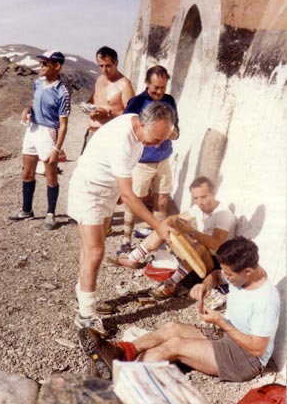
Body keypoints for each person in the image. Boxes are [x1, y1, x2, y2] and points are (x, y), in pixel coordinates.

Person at [80, 237, 280, 383]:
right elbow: (218, 275)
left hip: (244, 359)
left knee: (174, 345)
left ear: (247, 271)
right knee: (172, 328)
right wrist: (205, 285)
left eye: (231, 274)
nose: (229, 277)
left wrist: (220, 323)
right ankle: (118, 352)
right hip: (228, 336)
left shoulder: (265, 300)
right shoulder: (243, 272)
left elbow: (257, 349)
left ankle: (120, 379)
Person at [68, 102, 177, 332]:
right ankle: (86, 316)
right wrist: (157, 225)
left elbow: (123, 187)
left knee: (91, 250)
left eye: (162, 140)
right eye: (156, 139)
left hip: (107, 190)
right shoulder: (122, 142)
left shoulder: (138, 127)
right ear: (143, 123)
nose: (157, 144)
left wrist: (117, 194)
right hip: (90, 190)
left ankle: (83, 297)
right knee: (96, 252)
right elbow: (130, 196)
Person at [111, 175, 236, 299]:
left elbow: (216, 244)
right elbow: (176, 218)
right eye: (196, 198)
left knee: (200, 245)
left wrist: (191, 231)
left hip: (214, 264)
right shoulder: (199, 208)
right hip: (196, 258)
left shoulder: (223, 214)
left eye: (203, 197)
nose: (200, 201)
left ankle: (171, 284)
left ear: (213, 193)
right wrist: (167, 223)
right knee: (166, 228)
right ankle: (133, 258)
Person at [116, 65, 179, 257]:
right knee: (135, 200)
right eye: (155, 87)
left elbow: (177, 129)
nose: (159, 92)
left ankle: (156, 240)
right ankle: (126, 240)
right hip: (142, 161)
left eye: (163, 87)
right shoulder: (137, 102)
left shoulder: (169, 101)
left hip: (163, 159)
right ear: (146, 83)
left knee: (161, 201)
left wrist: (174, 134)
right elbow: (125, 129)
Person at [9, 50, 70, 230]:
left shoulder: (62, 92)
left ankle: (50, 213)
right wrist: (27, 109)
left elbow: (64, 124)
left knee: (50, 176)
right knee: (27, 173)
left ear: (57, 66)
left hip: (48, 132)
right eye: (41, 62)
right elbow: (34, 101)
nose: (40, 66)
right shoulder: (37, 83)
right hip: (32, 129)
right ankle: (26, 210)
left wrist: (57, 149)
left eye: (45, 63)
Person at [80, 46, 134, 154]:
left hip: (109, 137)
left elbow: (131, 115)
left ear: (116, 63)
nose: (104, 69)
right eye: (101, 66)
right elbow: (92, 101)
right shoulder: (100, 79)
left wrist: (108, 113)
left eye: (108, 65)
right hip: (91, 133)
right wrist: (88, 108)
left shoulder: (124, 84)